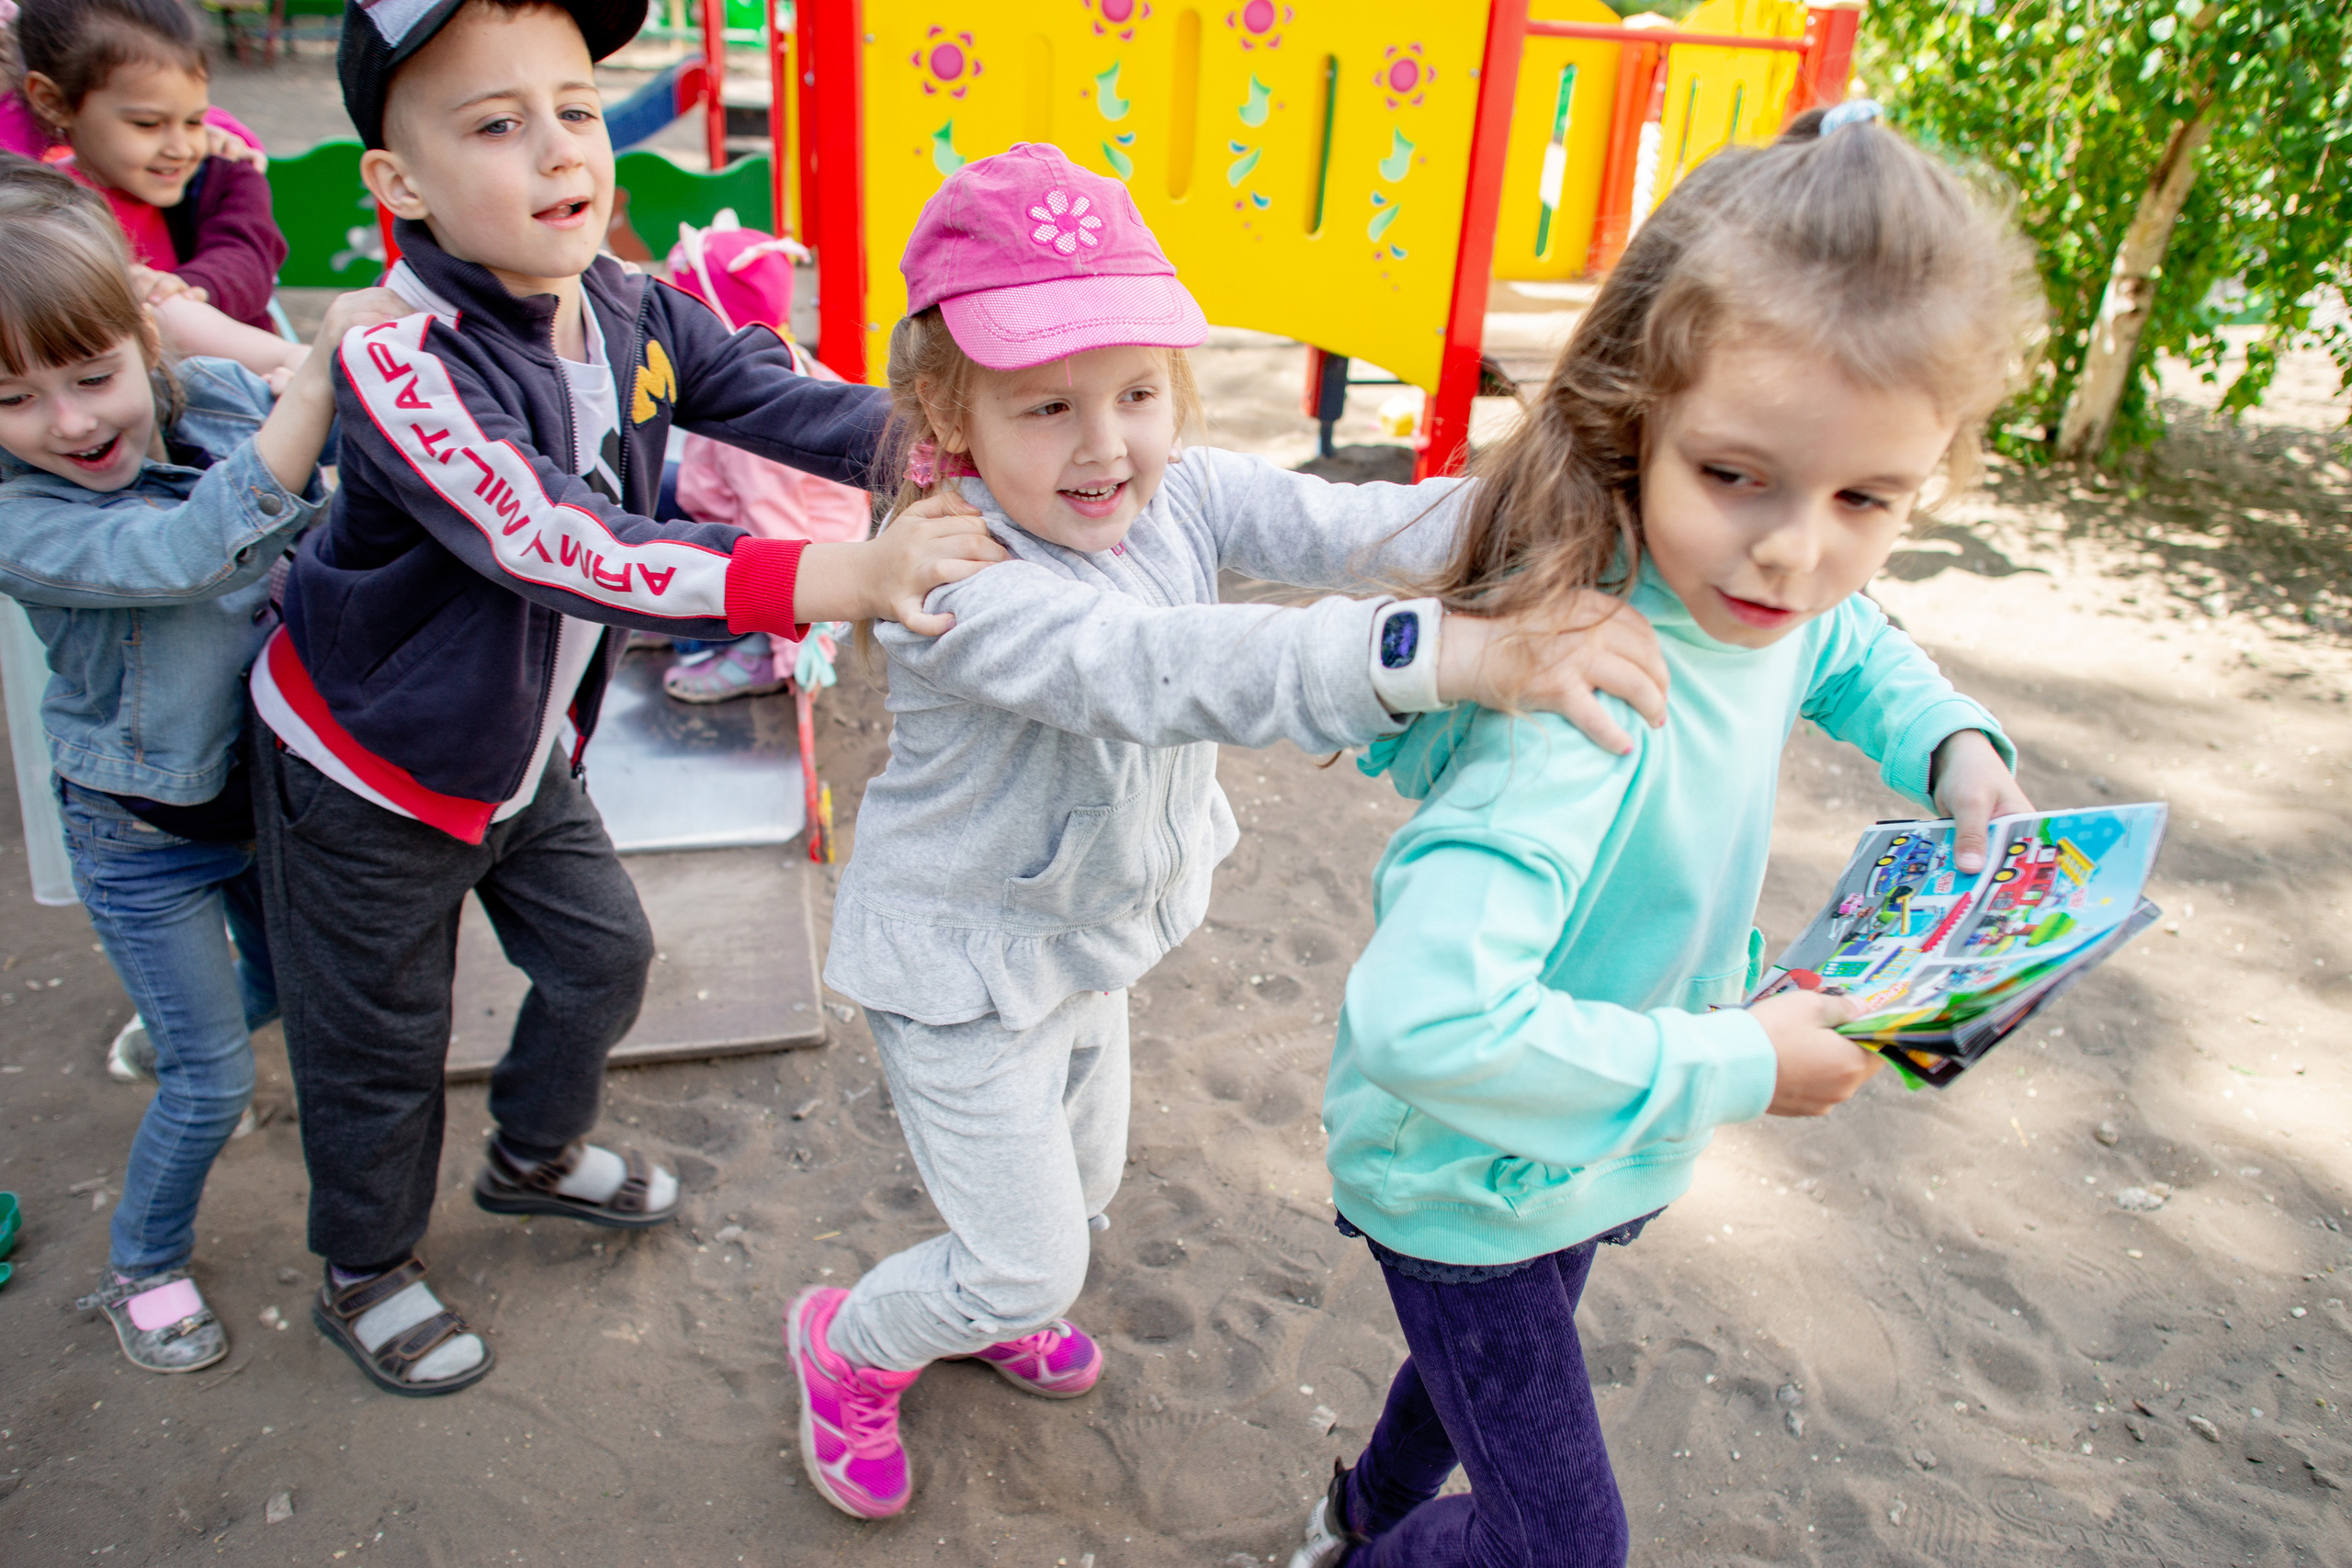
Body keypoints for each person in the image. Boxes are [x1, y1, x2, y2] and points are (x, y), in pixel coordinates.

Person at [787, 141, 1677, 1522]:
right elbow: (1164, 667)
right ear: (947, 414)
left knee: (1076, 1192)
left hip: (1086, 936)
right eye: (1048, 406)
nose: (1105, 443)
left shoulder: (1180, 488)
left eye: (1138, 391)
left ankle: (994, 1285)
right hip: (962, 975)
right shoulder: (957, 574)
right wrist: (1440, 651)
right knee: (1028, 1257)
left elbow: (1361, 520)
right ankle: (848, 1341)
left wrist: (1572, 517)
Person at [1291, 102, 2044, 1568]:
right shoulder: (1578, 713)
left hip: (1591, 1135)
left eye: (1867, 498)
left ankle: (1352, 1513)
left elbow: (1838, 644)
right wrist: (1744, 1061)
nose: (1794, 550)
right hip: (1466, 1171)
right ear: (1636, 418)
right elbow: (1422, 1017)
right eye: (1737, 476)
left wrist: (1953, 741)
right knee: (1559, 1543)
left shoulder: (1745, 598)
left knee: (1482, 1379)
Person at [243, 0, 1002, 1400]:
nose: (555, 149)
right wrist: (842, 568)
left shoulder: (633, 306)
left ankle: (532, 1151)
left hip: (525, 761)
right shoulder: (398, 363)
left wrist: (958, 449)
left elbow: (773, 395)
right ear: (397, 184)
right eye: (494, 122)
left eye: (576, 108)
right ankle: (367, 1265)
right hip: (371, 775)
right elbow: (556, 540)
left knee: (602, 959)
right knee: (379, 1042)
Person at [0, 155, 405, 1373]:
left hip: (260, 799)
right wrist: (317, 383)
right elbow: (188, 549)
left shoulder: (217, 396)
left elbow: (335, 449)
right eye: (11, 398)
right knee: (211, 1079)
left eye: (91, 375)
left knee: (287, 987)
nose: (68, 424)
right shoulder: (25, 517)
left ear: (144, 335)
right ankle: (144, 1262)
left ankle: (173, 1016)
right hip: (142, 829)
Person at [10, 0, 285, 331]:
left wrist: (189, 287)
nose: (180, 149)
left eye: (195, 121)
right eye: (148, 124)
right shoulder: (33, 212)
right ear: (53, 102)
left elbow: (247, 259)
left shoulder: (225, 176)